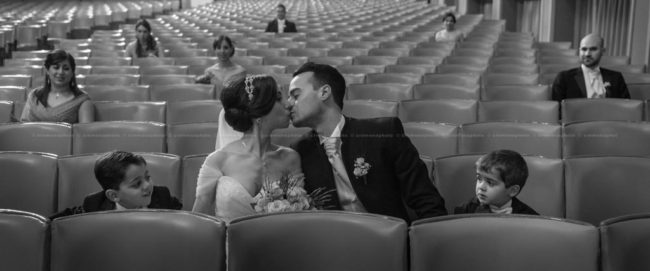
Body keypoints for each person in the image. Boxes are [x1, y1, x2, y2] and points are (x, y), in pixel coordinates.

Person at [288, 62, 447, 223]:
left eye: (295, 96)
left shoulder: (383, 133)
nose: (288, 104)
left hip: (389, 239)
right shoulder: (299, 151)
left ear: (324, 92)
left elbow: (425, 199)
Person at [192, 74, 302, 222]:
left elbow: (299, 216)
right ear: (258, 111)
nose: (288, 104)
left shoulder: (290, 158)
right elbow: (198, 220)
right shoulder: (218, 161)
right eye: (278, 98)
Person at [51, 151, 182, 219]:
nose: (147, 185)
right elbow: (58, 223)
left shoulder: (164, 198)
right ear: (113, 195)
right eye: (137, 184)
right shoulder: (94, 205)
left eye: (147, 177)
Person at [454, 150, 539, 215]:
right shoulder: (465, 211)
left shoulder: (530, 218)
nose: (481, 187)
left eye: (490, 183)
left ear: (513, 190)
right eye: (479, 179)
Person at [20, 49, 93, 123]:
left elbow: (85, 132)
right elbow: (23, 127)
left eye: (66, 68)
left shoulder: (82, 100)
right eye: (56, 67)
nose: (61, 72)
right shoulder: (34, 96)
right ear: (48, 71)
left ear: (72, 73)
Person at [551, 33, 630, 101]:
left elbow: (626, 107)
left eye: (593, 49)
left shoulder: (616, 78)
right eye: (584, 49)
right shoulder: (564, 78)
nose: (587, 54)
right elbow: (557, 111)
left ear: (603, 51)